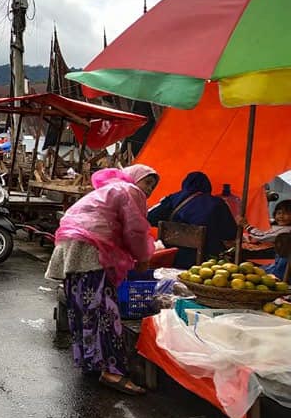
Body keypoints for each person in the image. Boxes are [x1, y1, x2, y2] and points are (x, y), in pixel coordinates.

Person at [45, 164, 160, 396]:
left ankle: (90, 361)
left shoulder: (110, 189)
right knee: (106, 312)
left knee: (82, 308)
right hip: (90, 248)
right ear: (134, 178)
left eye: (153, 186)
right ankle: (112, 371)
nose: (149, 189)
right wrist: (143, 257)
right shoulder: (130, 191)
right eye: (147, 182)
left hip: (71, 246)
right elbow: (135, 230)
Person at [147, 171, 237, 267]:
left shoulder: (173, 198)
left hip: (172, 256)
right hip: (206, 262)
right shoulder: (218, 203)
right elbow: (230, 233)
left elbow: (150, 217)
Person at [239, 199, 291, 277]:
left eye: (286, 213)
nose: (281, 216)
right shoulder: (280, 226)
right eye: (279, 213)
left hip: (281, 265)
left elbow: (262, 236)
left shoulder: (286, 231)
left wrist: (246, 225)